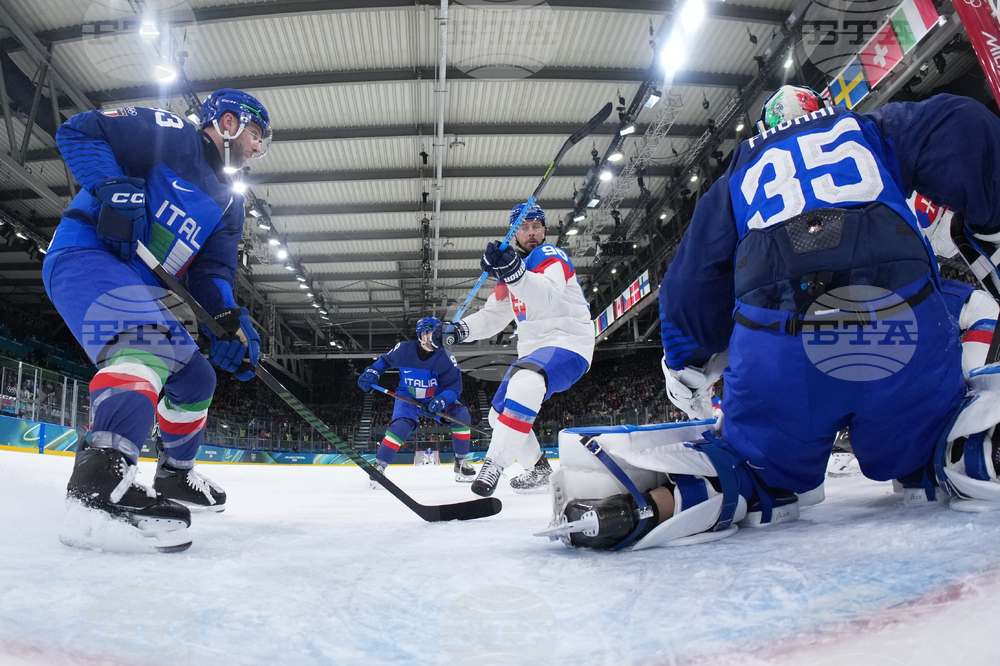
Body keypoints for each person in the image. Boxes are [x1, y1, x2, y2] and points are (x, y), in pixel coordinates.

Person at [544, 87, 1000, 549]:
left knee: (760, 471)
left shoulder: (737, 176)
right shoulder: (868, 129)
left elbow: (693, 278)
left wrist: (687, 361)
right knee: (926, 444)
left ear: (763, 129)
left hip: (783, 342)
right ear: (822, 107)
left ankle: (655, 503)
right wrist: (990, 217)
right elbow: (960, 120)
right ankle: (973, 453)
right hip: (897, 318)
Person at [44, 89, 271, 552]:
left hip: (143, 285)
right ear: (227, 122)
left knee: (196, 377)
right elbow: (81, 130)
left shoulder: (230, 202)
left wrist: (228, 318)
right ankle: (100, 486)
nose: (256, 148)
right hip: (88, 256)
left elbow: (212, 272)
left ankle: (174, 476)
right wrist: (113, 186)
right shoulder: (172, 135)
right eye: (254, 135)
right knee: (144, 344)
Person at [433, 203, 594, 496]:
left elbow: (546, 295)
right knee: (498, 416)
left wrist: (512, 271)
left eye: (536, 226)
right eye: (524, 227)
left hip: (567, 343)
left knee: (527, 381)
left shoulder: (549, 255)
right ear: (514, 233)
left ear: (545, 230)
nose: (531, 232)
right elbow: (493, 317)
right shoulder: (511, 274)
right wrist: (458, 330)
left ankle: (494, 465)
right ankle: (539, 469)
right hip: (535, 354)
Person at [357, 317, 476, 486]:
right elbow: (385, 361)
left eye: (437, 334)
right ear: (421, 334)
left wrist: (442, 400)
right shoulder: (404, 349)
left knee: (462, 416)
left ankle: (461, 462)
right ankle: (380, 465)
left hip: (435, 398)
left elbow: (455, 388)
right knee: (401, 426)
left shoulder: (446, 359)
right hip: (408, 397)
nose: (433, 338)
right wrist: (373, 372)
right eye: (430, 334)